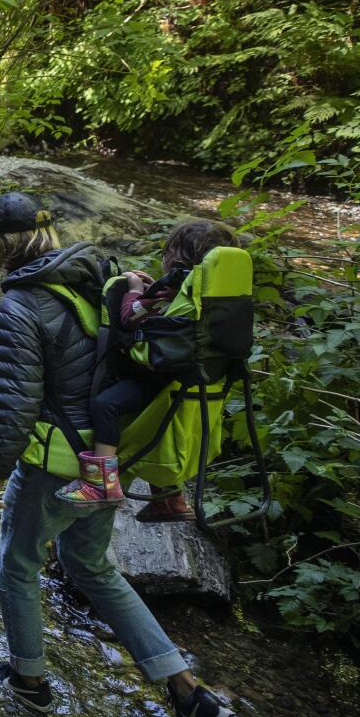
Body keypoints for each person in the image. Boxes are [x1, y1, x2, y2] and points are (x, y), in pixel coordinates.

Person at [0, 191, 232, 717]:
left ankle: (29, 682)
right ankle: (187, 691)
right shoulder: (102, 274)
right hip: (112, 457)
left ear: (3, 245)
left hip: (59, 459)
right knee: (90, 565)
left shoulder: (23, 303)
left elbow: (15, 400)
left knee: (17, 564)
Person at [59, 219, 241, 513]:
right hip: (197, 382)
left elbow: (131, 317)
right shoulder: (220, 297)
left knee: (106, 404)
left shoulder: (174, 288)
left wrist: (134, 288)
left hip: (161, 378)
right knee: (162, 428)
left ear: (174, 259)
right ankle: (170, 500)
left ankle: (100, 484)